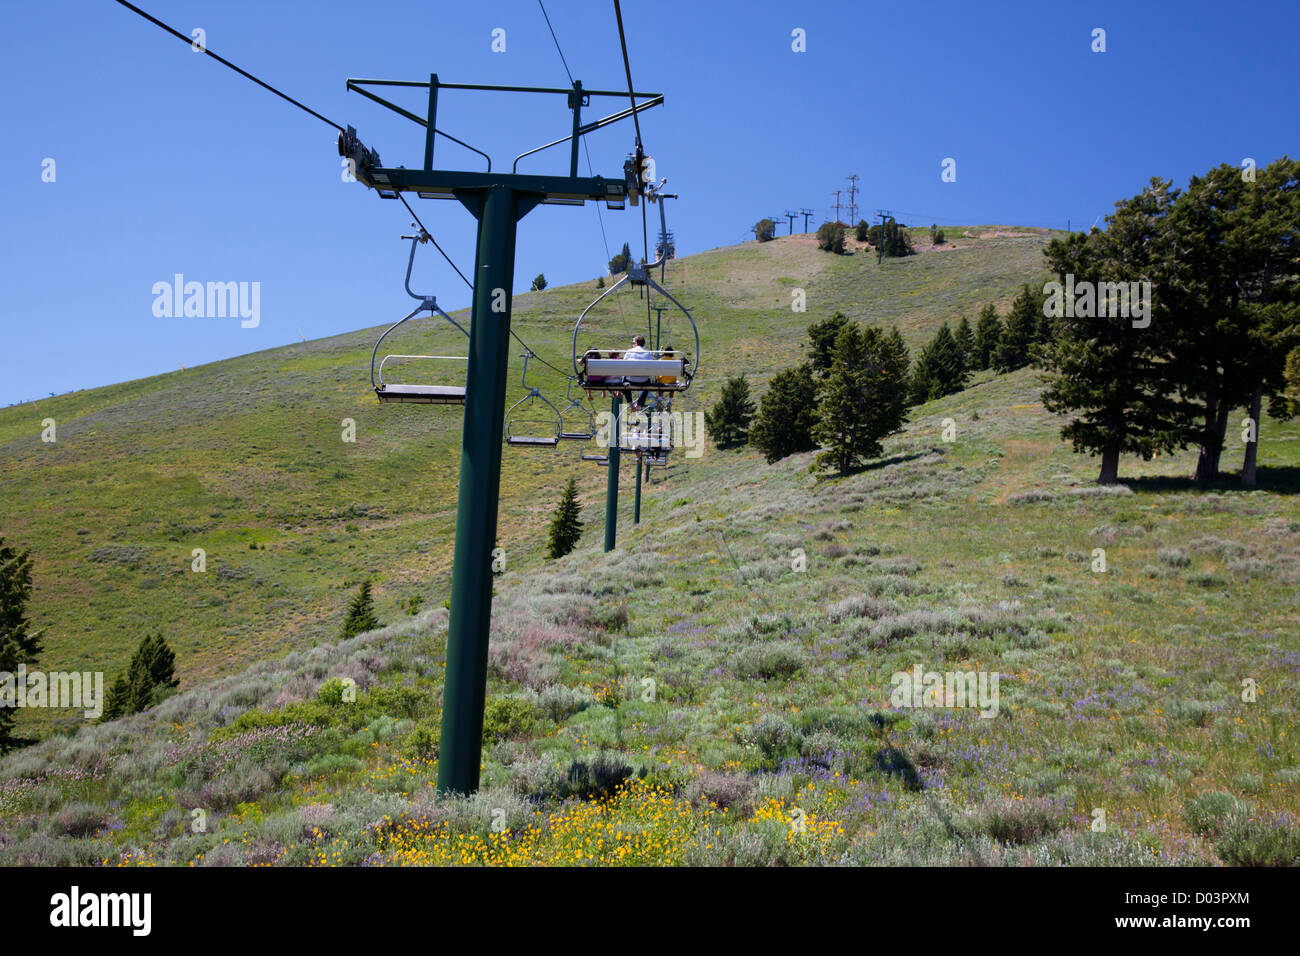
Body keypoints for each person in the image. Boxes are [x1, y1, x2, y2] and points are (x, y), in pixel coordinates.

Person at [622, 334, 653, 408]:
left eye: (633, 343)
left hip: (630, 379)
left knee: (624, 381)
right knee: (648, 383)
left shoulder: (629, 352)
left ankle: (630, 403)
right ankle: (639, 405)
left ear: (636, 343)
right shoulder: (648, 353)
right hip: (643, 381)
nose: (632, 345)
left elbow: (623, 364)